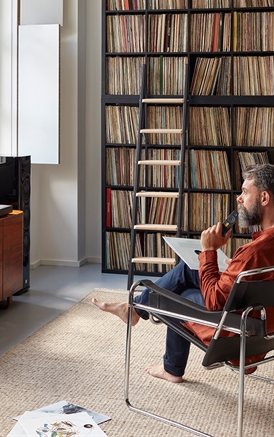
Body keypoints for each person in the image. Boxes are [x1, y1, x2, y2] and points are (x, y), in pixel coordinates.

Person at [93, 163, 274, 383]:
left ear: (264, 198)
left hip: (238, 338)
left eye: (245, 192)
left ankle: (168, 362)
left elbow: (215, 302)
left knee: (177, 295)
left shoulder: (252, 253)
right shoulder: (259, 251)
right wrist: (234, 267)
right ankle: (135, 310)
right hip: (265, 332)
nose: (239, 198)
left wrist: (209, 251)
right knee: (190, 268)